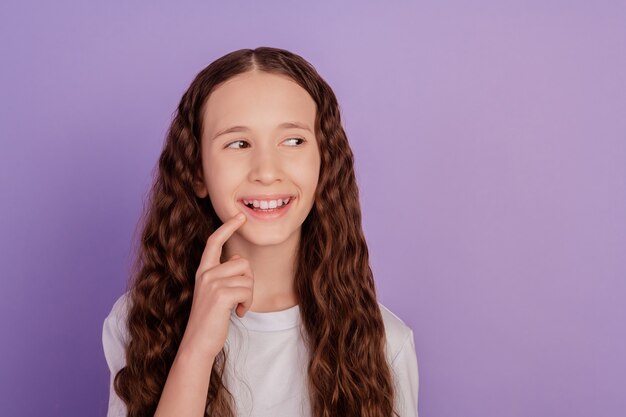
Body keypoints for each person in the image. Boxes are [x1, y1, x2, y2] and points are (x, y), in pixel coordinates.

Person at [102, 46, 419, 417]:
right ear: (197, 172)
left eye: (294, 141)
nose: (267, 171)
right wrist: (196, 349)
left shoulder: (386, 343)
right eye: (238, 143)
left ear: (324, 164)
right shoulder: (139, 323)